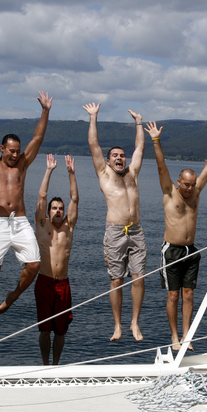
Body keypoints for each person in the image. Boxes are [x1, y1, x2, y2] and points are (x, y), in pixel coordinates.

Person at [0, 78, 52, 331]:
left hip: (19, 221)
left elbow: (38, 138)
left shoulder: (23, 165)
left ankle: (13, 295)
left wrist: (45, 111)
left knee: (34, 266)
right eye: (11, 150)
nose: (15, 154)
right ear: (1, 149)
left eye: (17, 150)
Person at [147, 121, 207, 351]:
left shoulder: (196, 193)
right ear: (179, 182)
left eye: (192, 185)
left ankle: (187, 335)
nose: (189, 189)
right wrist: (156, 140)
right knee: (173, 296)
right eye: (186, 185)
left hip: (192, 250)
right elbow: (161, 166)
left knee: (188, 294)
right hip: (171, 249)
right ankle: (174, 336)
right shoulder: (170, 192)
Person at [83, 102, 146, 341]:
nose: (119, 158)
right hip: (115, 232)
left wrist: (138, 122)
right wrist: (93, 117)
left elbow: (140, 146)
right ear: (108, 161)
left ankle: (134, 323)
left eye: (122, 156)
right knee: (117, 279)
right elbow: (93, 144)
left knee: (138, 277)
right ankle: (118, 325)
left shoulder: (133, 173)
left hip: (136, 231)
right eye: (115, 156)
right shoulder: (105, 174)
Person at [34, 154, 79, 365]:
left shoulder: (69, 227)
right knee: (45, 330)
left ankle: (55, 365)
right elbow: (41, 197)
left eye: (61, 208)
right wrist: (49, 171)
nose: (59, 211)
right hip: (44, 282)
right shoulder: (42, 226)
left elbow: (75, 199)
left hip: (63, 284)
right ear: (48, 211)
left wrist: (72, 174)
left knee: (61, 331)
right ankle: (45, 364)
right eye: (55, 208)